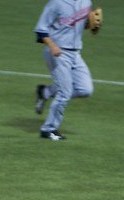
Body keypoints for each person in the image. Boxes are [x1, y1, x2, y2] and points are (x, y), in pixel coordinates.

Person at [33, 0, 99, 141]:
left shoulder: (86, 2)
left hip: (75, 53)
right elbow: (40, 30)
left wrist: (90, 25)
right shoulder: (56, 3)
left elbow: (77, 24)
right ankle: (48, 130)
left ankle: (45, 92)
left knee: (85, 89)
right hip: (58, 52)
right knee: (65, 92)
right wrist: (52, 46)